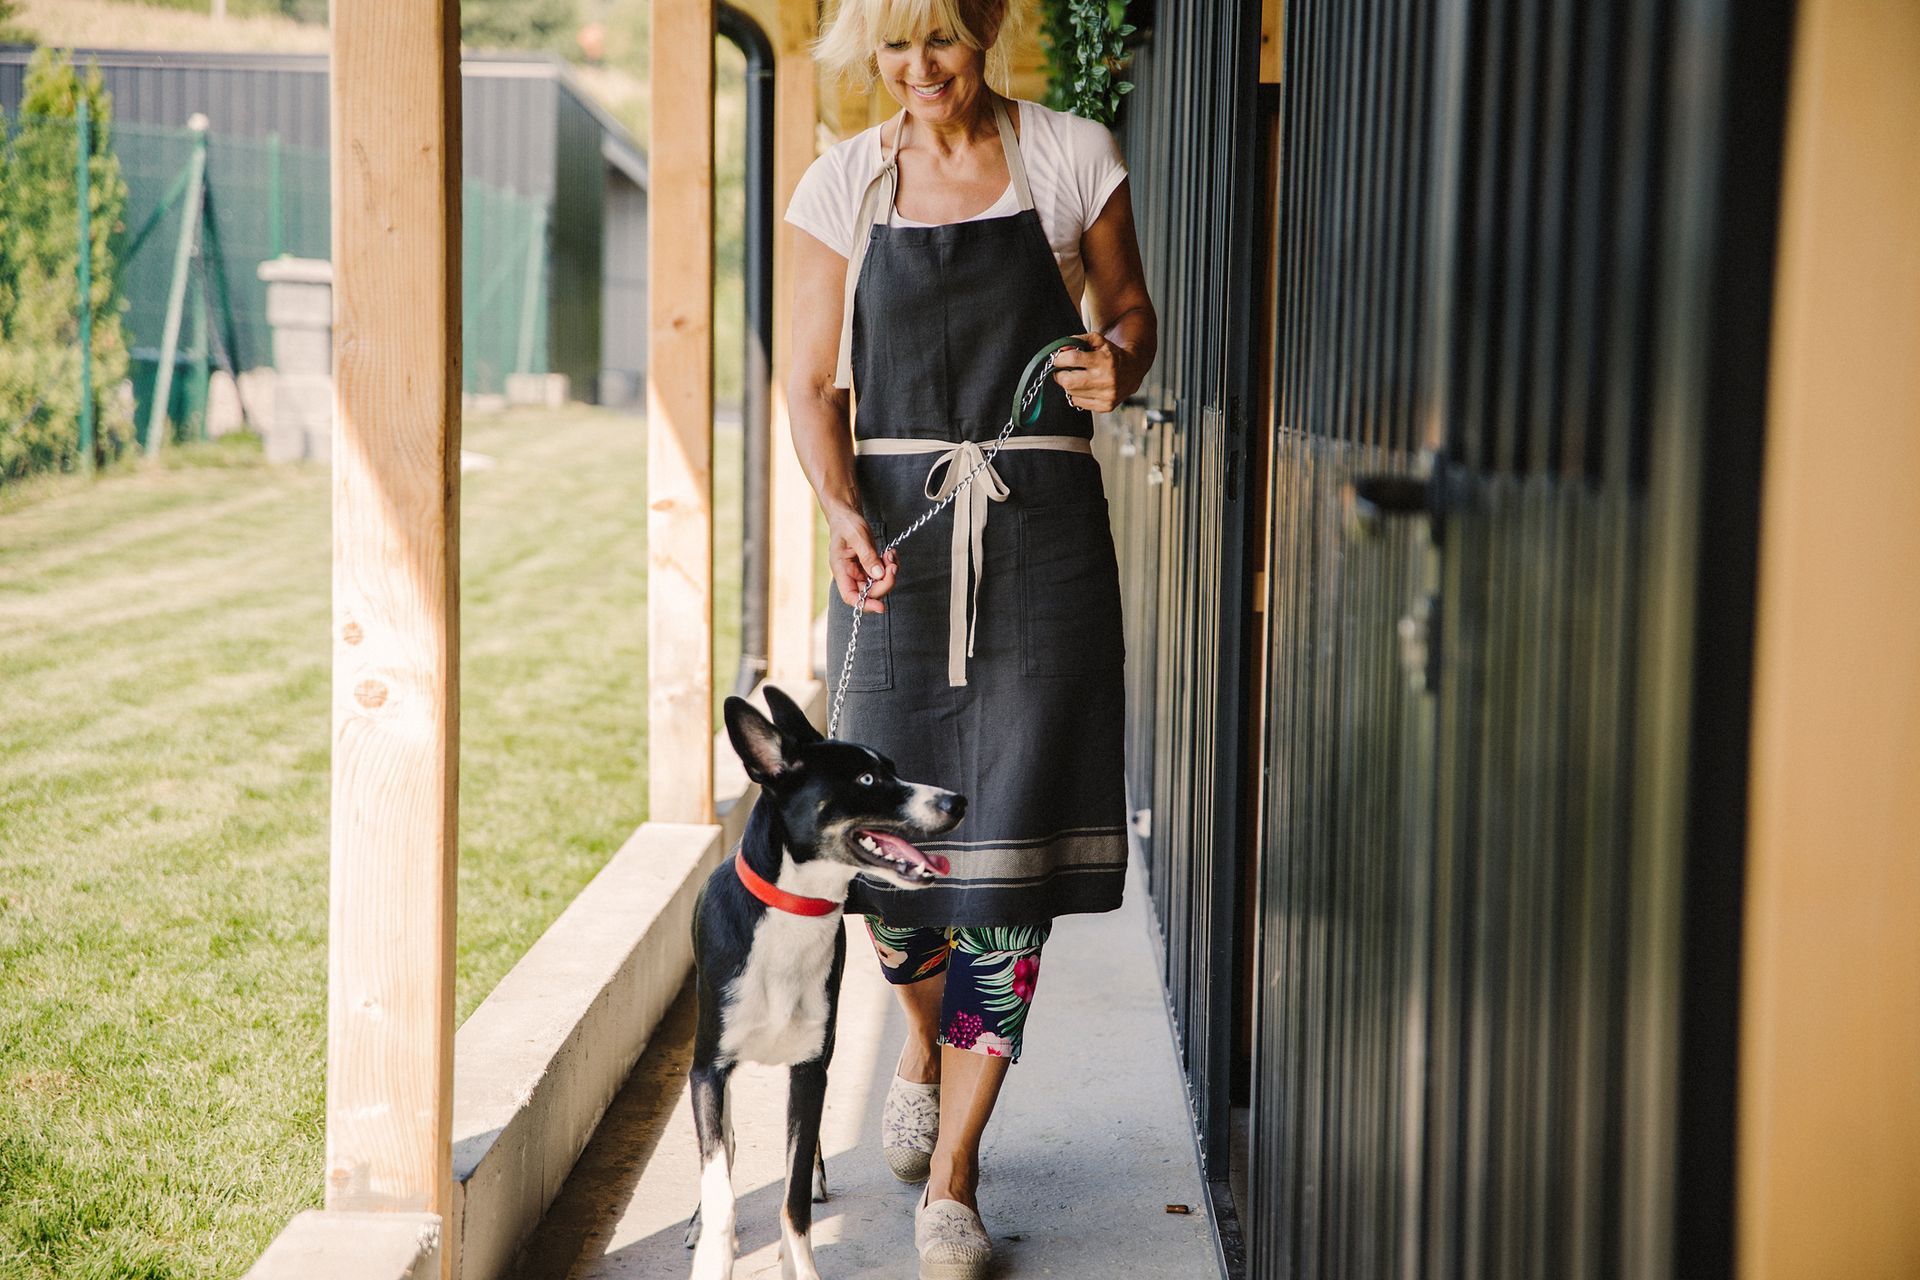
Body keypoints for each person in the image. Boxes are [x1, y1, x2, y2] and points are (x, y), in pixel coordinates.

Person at [784, 1, 1156, 1275]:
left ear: (985, 28)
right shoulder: (843, 183)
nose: (919, 70)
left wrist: (1118, 362)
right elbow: (809, 384)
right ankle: (921, 1044)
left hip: (1042, 538)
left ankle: (956, 1173)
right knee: (890, 865)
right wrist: (839, 508)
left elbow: (1130, 314)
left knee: (1009, 862)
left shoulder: (1070, 153)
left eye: (940, 39)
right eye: (894, 48)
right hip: (894, 547)